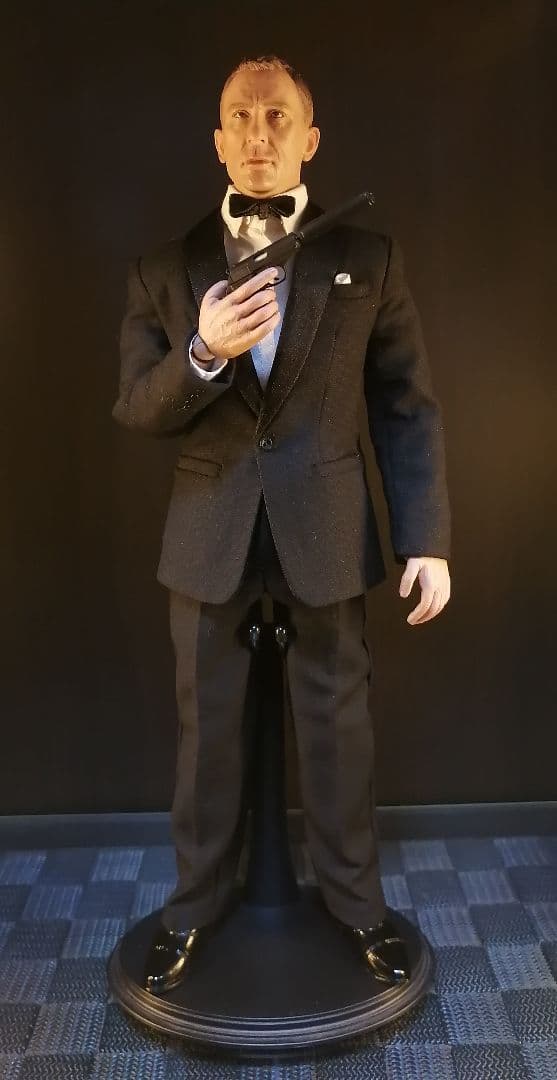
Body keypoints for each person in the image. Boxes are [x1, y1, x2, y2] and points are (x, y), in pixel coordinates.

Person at [112, 54, 451, 995]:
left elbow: (405, 404)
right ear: (218, 141)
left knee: (340, 733)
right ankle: (191, 912)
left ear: (310, 138)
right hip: (208, 534)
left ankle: (358, 909)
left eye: (276, 117)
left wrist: (425, 538)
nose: (257, 134)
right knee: (206, 737)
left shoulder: (368, 259)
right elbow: (137, 408)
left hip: (326, 530)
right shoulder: (162, 268)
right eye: (239, 116)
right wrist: (201, 353)